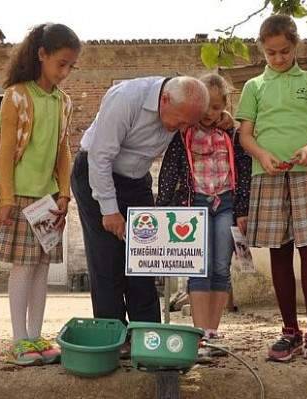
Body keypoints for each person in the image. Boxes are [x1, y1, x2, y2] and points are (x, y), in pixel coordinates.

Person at [236, 14, 307, 365]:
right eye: (271, 54)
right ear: (262, 52)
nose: (278, 59)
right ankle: (289, 333)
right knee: (279, 252)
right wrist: (263, 155)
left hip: (306, 174)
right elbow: (245, 135)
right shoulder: (254, 86)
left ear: (295, 45)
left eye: (284, 51)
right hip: (266, 176)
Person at [70, 75, 209, 341]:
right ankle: (113, 336)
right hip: (97, 175)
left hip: (136, 181)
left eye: (187, 124)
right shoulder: (125, 98)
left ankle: (148, 335)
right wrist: (109, 210)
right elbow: (100, 158)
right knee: (107, 258)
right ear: (165, 99)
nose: (181, 129)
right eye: (179, 121)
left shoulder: (183, 106)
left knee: (144, 257)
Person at [0, 23, 80, 366]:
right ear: (41, 55)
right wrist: (6, 198)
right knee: (23, 267)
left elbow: (63, 150)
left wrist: (64, 193)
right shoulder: (17, 96)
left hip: (48, 200)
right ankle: (18, 340)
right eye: (61, 63)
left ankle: (35, 335)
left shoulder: (64, 102)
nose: (66, 72)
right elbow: (3, 152)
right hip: (20, 198)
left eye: (71, 66)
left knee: (43, 267)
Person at [157, 73, 251, 362]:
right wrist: (162, 207)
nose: (210, 114)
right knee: (198, 268)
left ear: (225, 106)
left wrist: (243, 210)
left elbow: (244, 172)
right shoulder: (183, 133)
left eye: (217, 107)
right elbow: (169, 170)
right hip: (193, 204)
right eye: (206, 107)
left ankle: (213, 332)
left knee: (221, 267)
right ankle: (199, 334)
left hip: (225, 204)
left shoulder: (231, 134)